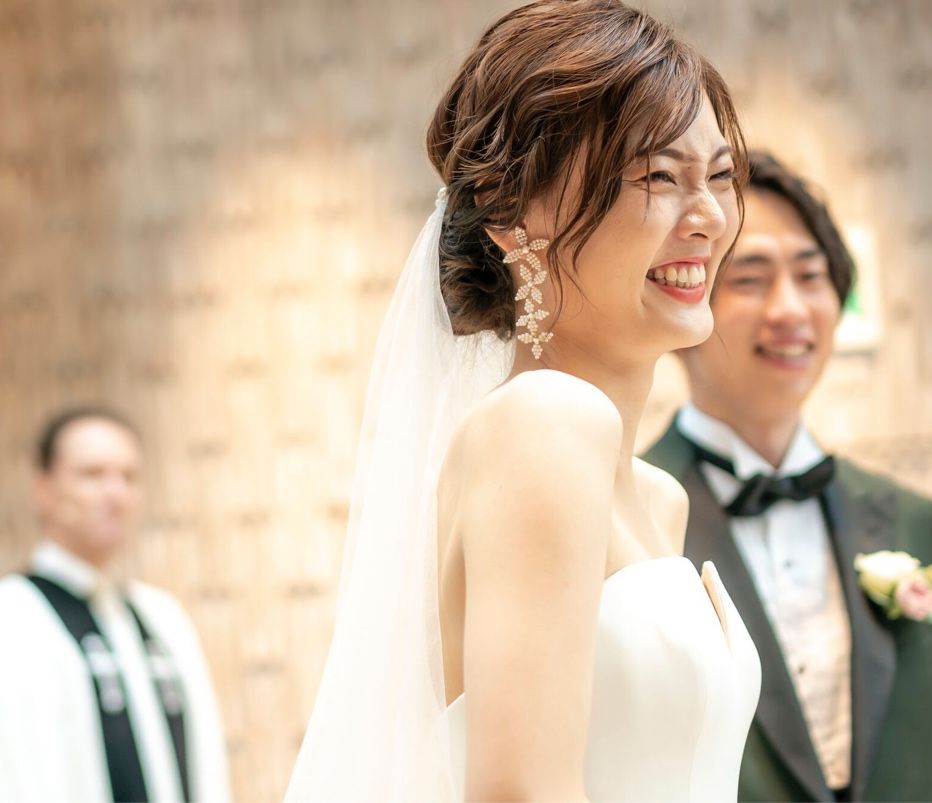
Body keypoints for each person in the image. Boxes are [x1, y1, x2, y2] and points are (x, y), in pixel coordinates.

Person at [285, 2, 762, 800]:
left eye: (718, 175)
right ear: (510, 213)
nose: (709, 217)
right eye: (658, 176)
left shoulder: (657, 497)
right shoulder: (544, 423)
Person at [643, 151, 932, 802]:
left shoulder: (913, 519)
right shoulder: (626, 514)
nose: (790, 309)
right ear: (686, 300)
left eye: (810, 275)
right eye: (750, 278)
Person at [0, 407, 231, 803]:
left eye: (129, 477)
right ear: (44, 489)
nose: (115, 494)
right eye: (92, 475)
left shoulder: (162, 618)